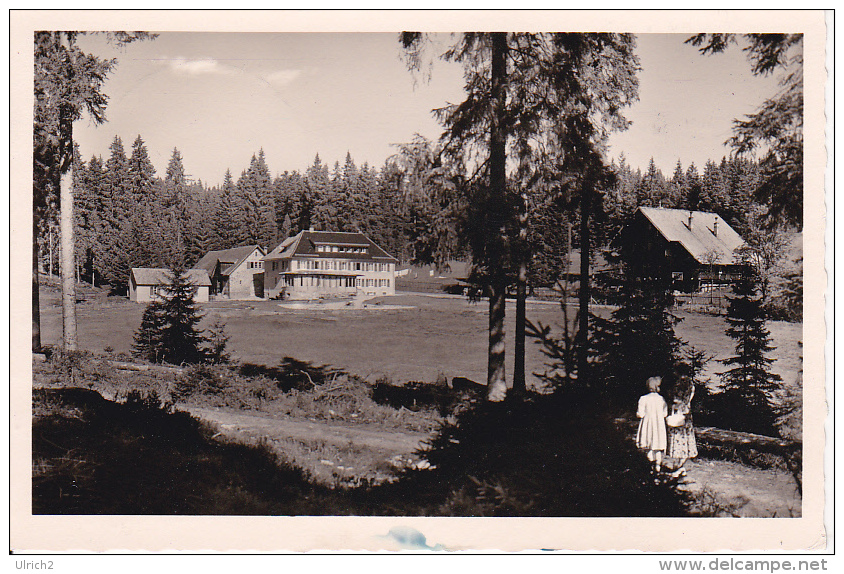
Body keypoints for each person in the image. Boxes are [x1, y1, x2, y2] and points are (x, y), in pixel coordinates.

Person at [666, 378, 698, 477]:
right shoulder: (690, 385)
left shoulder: (677, 384)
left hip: (677, 418)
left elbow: (674, 400)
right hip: (686, 417)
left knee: (677, 442)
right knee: (686, 443)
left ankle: (678, 467)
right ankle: (680, 466)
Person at [636, 376, 668, 472]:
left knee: (649, 445)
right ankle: (657, 467)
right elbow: (665, 413)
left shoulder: (643, 398)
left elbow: (640, 414)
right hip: (658, 425)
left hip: (648, 424)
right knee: (657, 446)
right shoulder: (661, 399)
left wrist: (639, 414)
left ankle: (650, 466)